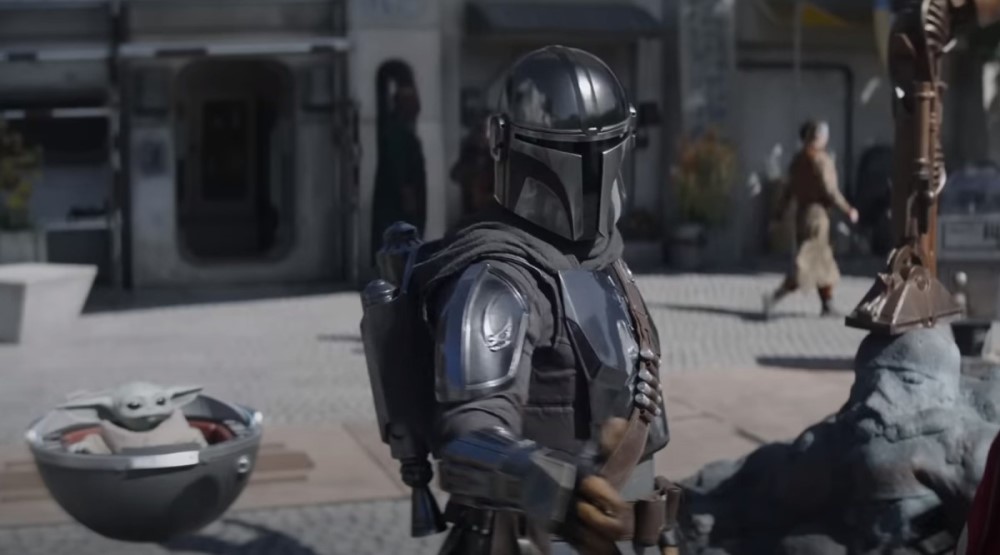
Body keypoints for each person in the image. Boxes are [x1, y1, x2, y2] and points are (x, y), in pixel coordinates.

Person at [365, 45, 678, 554]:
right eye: (575, 153)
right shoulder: (495, 279)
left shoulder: (605, 257)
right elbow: (469, 438)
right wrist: (558, 488)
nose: (591, 173)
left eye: (603, 149)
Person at [762, 120, 859, 319]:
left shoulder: (797, 161)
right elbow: (830, 190)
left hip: (802, 216)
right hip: (817, 217)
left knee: (822, 261)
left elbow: (788, 192)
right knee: (807, 264)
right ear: (820, 137)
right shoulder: (820, 160)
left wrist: (778, 214)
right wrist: (848, 209)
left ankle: (827, 304)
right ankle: (775, 296)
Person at [371, 83, 427, 262]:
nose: (417, 108)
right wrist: (408, 196)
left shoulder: (401, 129)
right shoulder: (397, 132)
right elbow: (399, 166)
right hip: (397, 205)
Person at [449, 117, 495, 222]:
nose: (484, 137)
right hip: (471, 208)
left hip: (488, 208)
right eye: (482, 133)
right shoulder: (470, 153)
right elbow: (455, 174)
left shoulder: (491, 156)